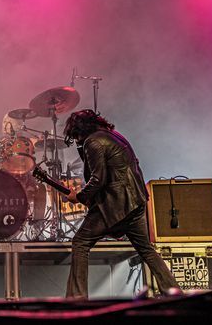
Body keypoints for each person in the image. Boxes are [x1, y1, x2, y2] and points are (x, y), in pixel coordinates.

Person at [62, 109, 179, 298]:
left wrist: (80, 197)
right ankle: (174, 293)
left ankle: (77, 298)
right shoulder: (114, 135)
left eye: (75, 135)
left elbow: (98, 179)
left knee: (80, 242)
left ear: (79, 130)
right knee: (146, 249)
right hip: (136, 202)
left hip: (117, 204)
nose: (76, 139)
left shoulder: (93, 141)